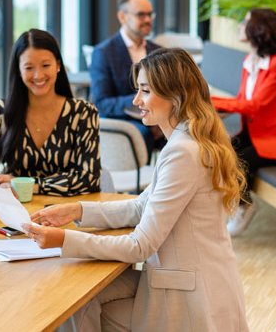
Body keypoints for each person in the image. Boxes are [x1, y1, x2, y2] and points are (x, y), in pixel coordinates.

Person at [25, 48, 248, 331]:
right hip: (196, 280)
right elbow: (141, 207)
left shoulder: (183, 151)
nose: (136, 100)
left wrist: (63, 239)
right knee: (80, 299)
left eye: (145, 91)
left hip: (188, 296)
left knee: (75, 304)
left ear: (175, 95)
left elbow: (140, 245)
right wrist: (77, 210)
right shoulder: (188, 140)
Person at [0, 29, 100, 196]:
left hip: (66, 212)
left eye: (45, 65)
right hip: (14, 212)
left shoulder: (83, 113)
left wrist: (26, 185)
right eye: (29, 67)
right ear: (19, 69)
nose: (38, 75)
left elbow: (89, 179)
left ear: (58, 65)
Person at [211, 8, 276, 236]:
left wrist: (210, 101)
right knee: (218, 152)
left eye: (245, 22)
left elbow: (255, 105)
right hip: (255, 133)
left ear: (259, 29)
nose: (241, 27)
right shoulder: (249, 61)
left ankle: (244, 206)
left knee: (237, 160)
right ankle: (232, 205)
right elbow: (242, 100)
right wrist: (214, 105)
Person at [89, 0, 163, 153]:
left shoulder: (158, 51)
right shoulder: (104, 53)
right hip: (124, 120)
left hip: (157, 115)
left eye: (150, 14)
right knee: (143, 132)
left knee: (186, 129)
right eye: (141, 15)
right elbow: (101, 102)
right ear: (122, 17)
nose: (148, 20)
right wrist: (144, 99)